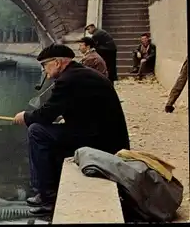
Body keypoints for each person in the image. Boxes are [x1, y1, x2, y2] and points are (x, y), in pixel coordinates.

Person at [13, 44, 130, 214]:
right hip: (105, 135)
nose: (44, 71)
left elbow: (45, 115)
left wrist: (25, 116)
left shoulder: (68, 80)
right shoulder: (80, 75)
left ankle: (46, 196)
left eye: (45, 65)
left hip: (101, 141)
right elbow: (72, 107)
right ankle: (47, 189)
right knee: (48, 132)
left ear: (57, 63)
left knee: (36, 131)